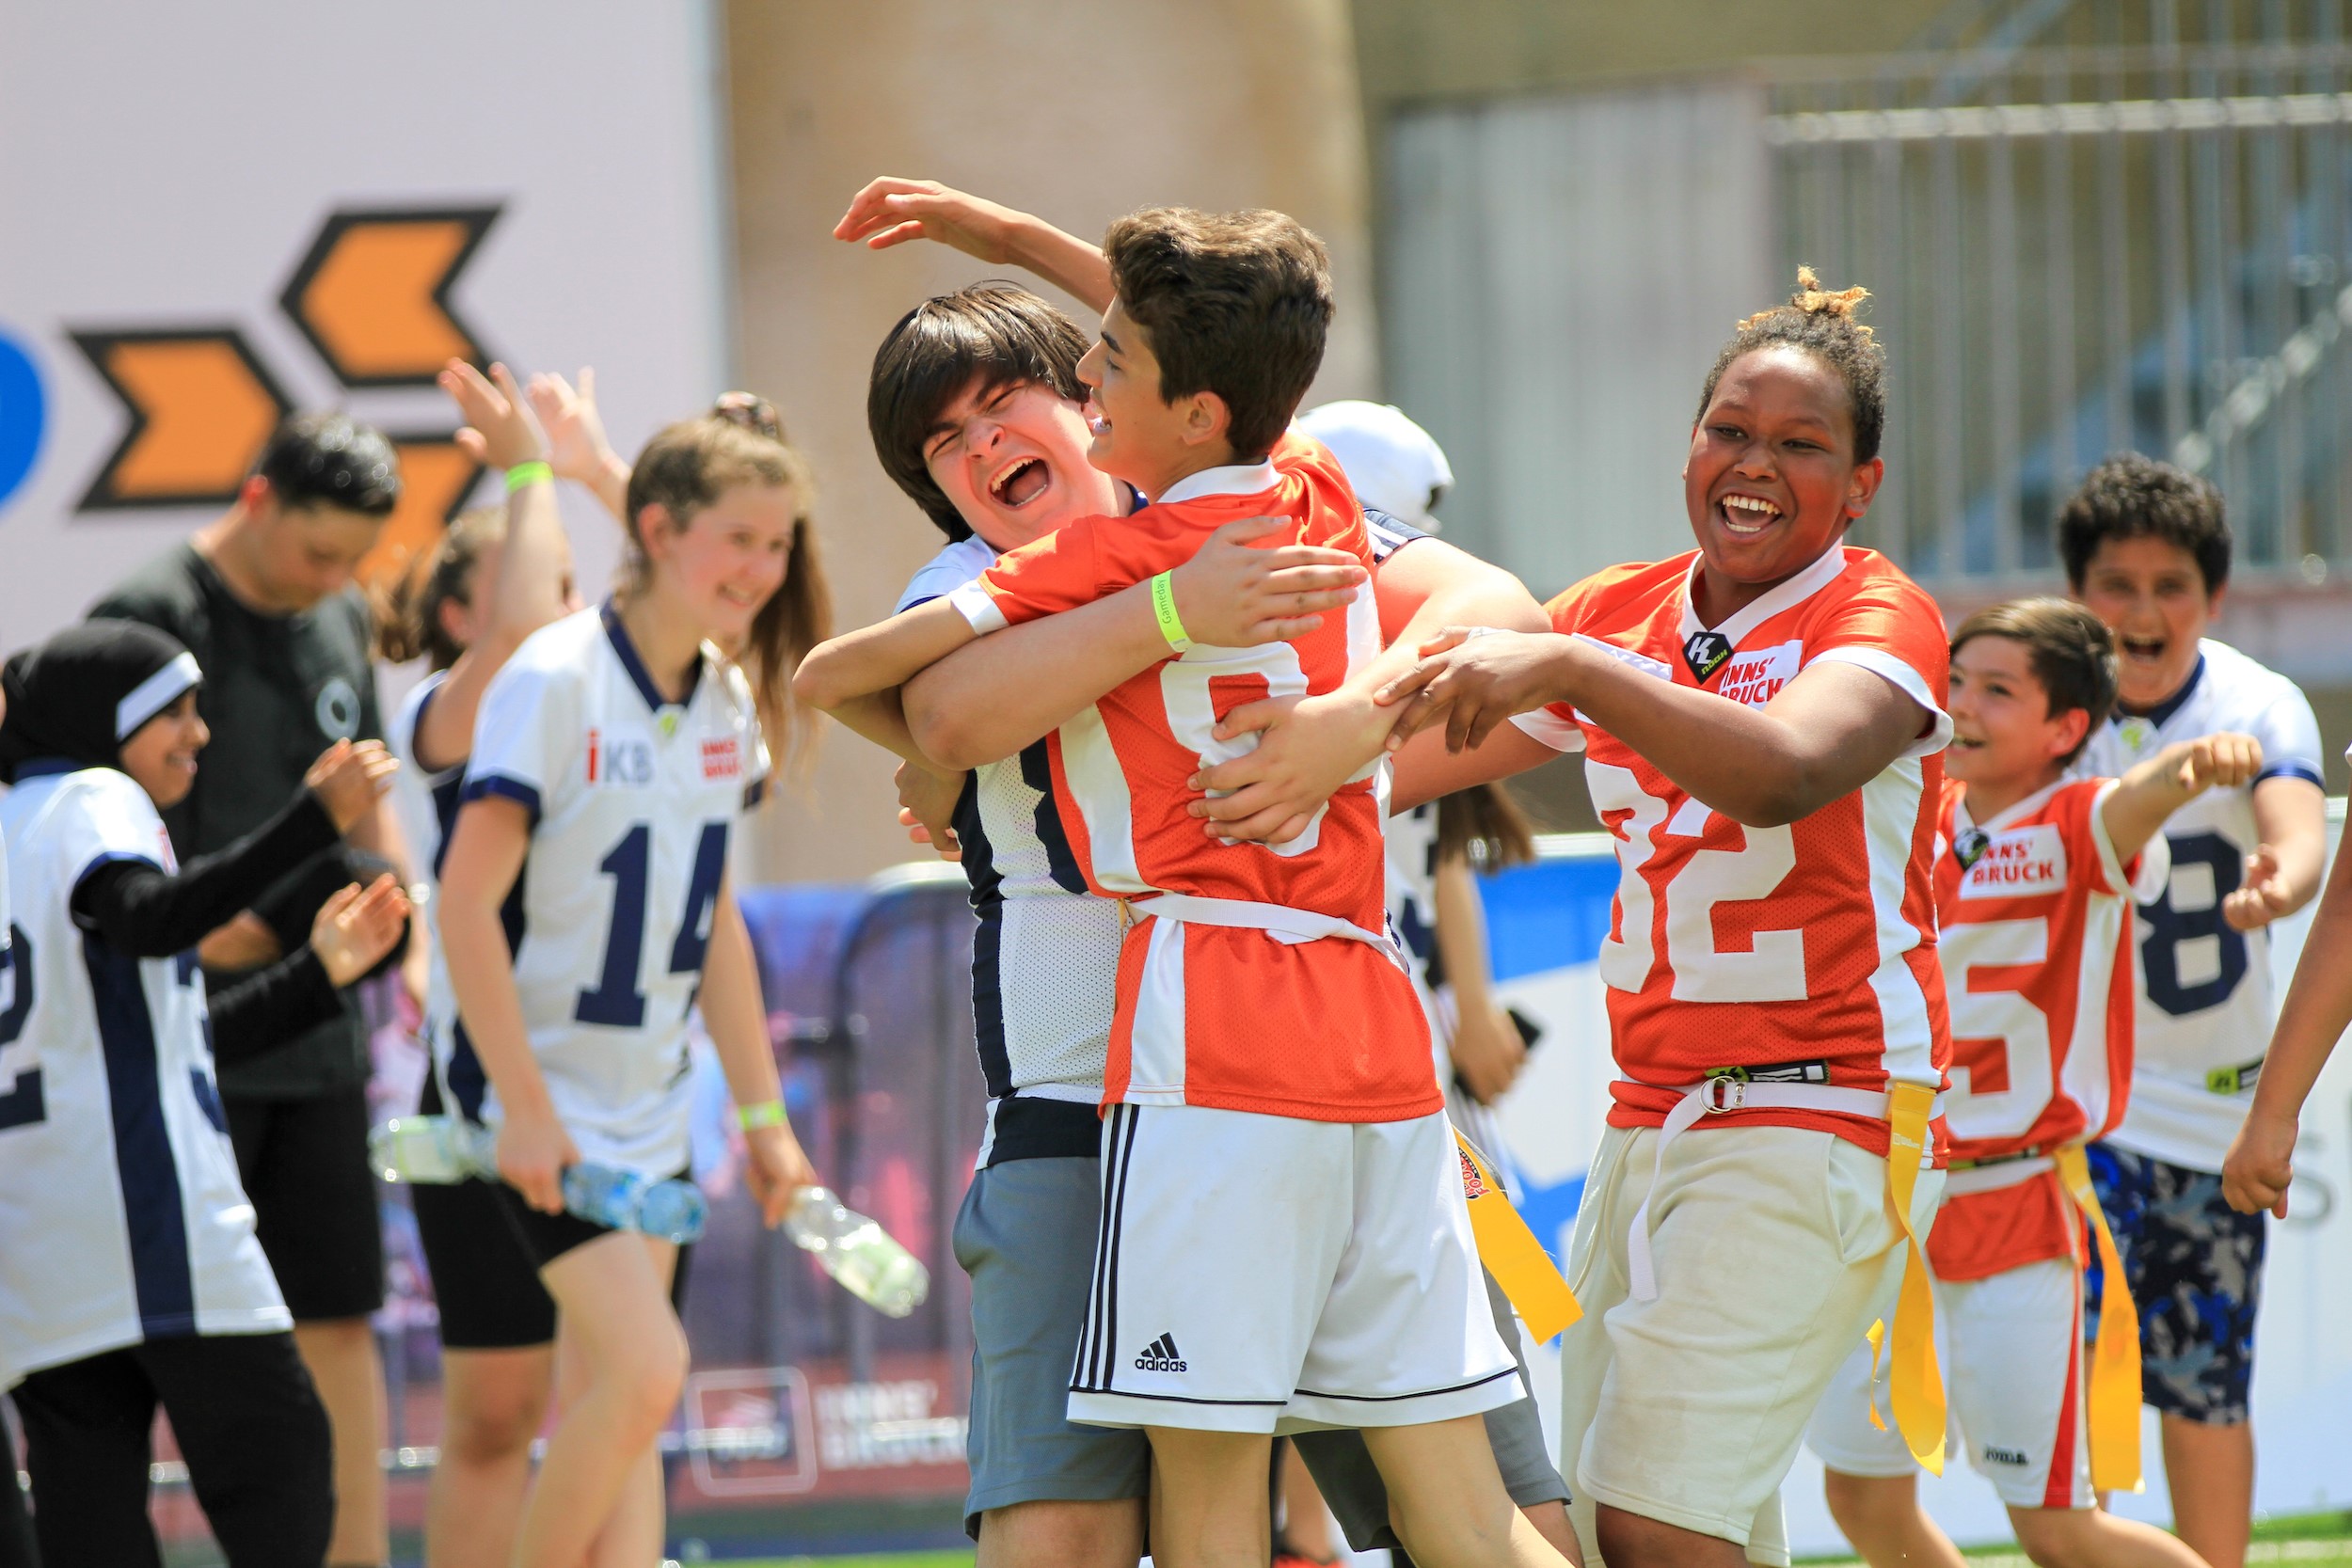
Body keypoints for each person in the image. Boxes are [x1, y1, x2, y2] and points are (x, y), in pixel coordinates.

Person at [803, 203, 1567, 1568]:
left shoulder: (1221, 511)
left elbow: (1503, 611)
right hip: (1183, 1082)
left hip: (1217, 1050)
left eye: (1010, 398)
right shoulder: (1265, 499)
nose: (980, 446)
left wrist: (1348, 728)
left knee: (1274, 1501)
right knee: (1446, 1511)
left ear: (1094, 391)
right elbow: (948, 719)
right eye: (940, 442)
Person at [1366, 271, 1954, 1568]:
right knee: (1636, 1525)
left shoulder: (1878, 614)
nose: (1755, 463)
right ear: (1688, 445)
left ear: (1860, 485)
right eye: (1728, 429)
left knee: (1651, 1519)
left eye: (1801, 444)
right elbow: (1385, 773)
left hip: (1823, 1104)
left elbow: (1783, 770)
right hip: (1653, 1117)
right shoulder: (1617, 608)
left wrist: (1577, 665)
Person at [436, 406, 828, 1568]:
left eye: (777, 543)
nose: (761, 568)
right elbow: (463, 902)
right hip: (539, 1091)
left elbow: (713, 926)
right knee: (650, 1368)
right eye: (738, 538)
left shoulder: (723, 702)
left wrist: (763, 1119)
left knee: (623, 1400)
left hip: (648, 1102)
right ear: (656, 530)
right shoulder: (554, 675)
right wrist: (522, 1104)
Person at [1807, 597, 2256, 1568]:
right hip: (1886, 1199)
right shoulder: (1910, 812)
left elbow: (2137, 797)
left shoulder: (2076, 817)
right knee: (1861, 1495)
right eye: (1955, 681)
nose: (1961, 705)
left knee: (2057, 1528)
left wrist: (2191, 764)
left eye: (1996, 689)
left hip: (2015, 1205)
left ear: (2065, 727)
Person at [0, 620, 407, 1567]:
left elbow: (167, 1048)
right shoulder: (94, 795)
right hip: (151, 1227)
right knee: (286, 1471)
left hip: (41, 1248)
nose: (200, 732)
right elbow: (147, 918)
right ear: (108, 720)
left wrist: (317, 973)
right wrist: (311, 821)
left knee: (89, 1523)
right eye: (174, 711)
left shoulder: (15, 828)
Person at [88, 410, 409, 1568]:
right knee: (142, 1339)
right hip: (186, 1039)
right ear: (259, 498)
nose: (333, 579)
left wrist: (406, 934)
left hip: (318, 1028)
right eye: (320, 551)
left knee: (336, 1315)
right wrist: (200, 927)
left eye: (353, 560)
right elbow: (94, 834)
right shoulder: (147, 617)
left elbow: (371, 795)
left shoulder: (339, 614)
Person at [2060, 454, 2327, 1568]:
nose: (2142, 609)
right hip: (2071, 1120)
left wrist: (2282, 877)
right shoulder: (2040, 706)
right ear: (2076, 593)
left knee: (2204, 1389)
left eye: (2169, 584)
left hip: (2211, 1119)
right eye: (2115, 583)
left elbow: (2297, 825)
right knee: (2068, 1394)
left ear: (2212, 596)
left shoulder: (2256, 700)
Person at [381, 361, 581, 1568]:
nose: (561, 603)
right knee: (499, 1407)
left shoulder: (616, 701)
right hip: (482, 1088)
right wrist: (530, 467)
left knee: (624, 1388)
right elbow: (518, 638)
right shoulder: (442, 713)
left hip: (612, 1083)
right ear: (460, 616)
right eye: (532, 575)